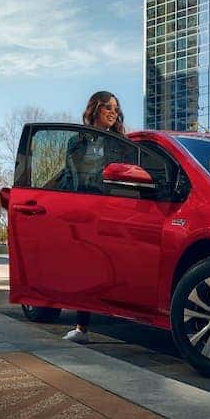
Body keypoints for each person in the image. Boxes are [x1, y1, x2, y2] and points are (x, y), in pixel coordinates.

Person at [63, 90, 126, 344]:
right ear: (95, 109)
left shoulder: (120, 142)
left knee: (109, 265)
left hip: (110, 208)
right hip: (82, 207)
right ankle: (81, 327)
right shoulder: (76, 141)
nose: (113, 112)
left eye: (116, 108)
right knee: (83, 267)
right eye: (107, 107)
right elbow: (69, 175)